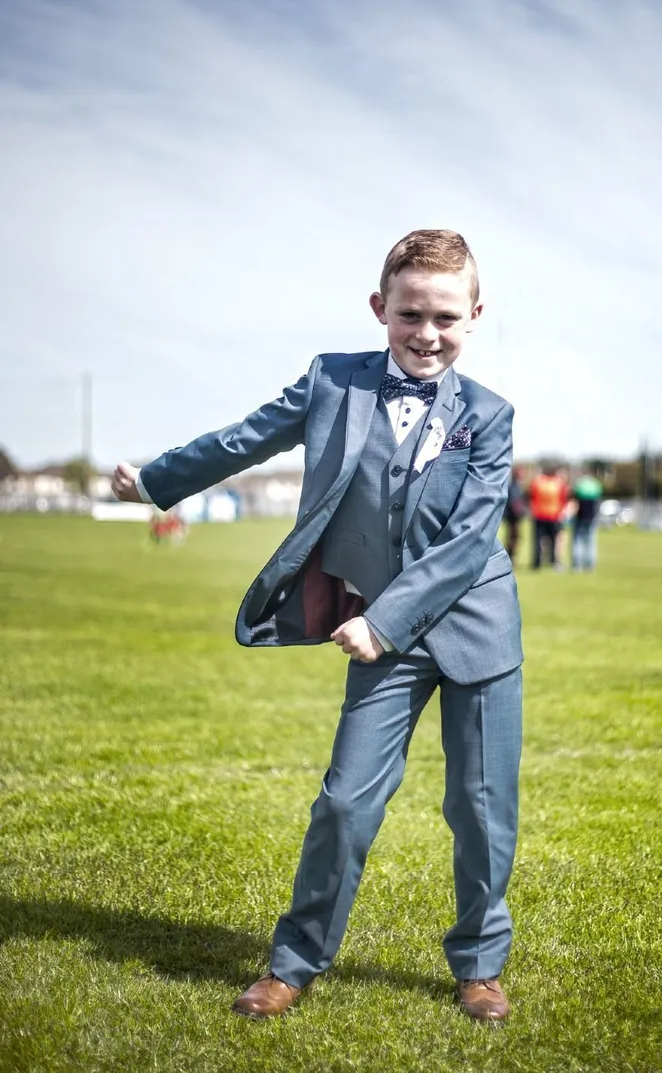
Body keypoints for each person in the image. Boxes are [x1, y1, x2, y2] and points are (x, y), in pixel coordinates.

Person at [112, 230, 523, 1024]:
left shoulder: (491, 416)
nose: (427, 333)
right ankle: (293, 964)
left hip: (474, 633)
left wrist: (385, 619)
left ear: (474, 316)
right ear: (381, 309)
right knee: (343, 803)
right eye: (410, 314)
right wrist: (157, 480)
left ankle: (480, 966)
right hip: (381, 637)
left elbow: (471, 539)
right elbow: (247, 436)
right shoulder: (332, 383)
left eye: (445, 316)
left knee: (481, 809)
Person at [529, 464, 569, 570]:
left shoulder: (538, 482)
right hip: (554, 515)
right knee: (554, 540)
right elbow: (563, 499)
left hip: (539, 514)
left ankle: (536, 562)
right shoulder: (559, 483)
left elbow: (532, 496)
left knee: (538, 540)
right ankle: (553, 561)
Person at [569, 470, 603, 571]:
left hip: (580, 516)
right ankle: (590, 565)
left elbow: (574, 499)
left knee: (577, 541)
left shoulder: (579, 484)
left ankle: (577, 565)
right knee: (591, 541)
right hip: (592, 517)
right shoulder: (595, 485)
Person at [503, 465, 528, 565]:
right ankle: (510, 557)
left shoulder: (518, 485)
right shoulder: (514, 486)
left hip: (515, 517)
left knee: (515, 537)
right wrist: (522, 512)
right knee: (513, 537)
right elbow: (514, 503)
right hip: (513, 517)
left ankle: (511, 556)